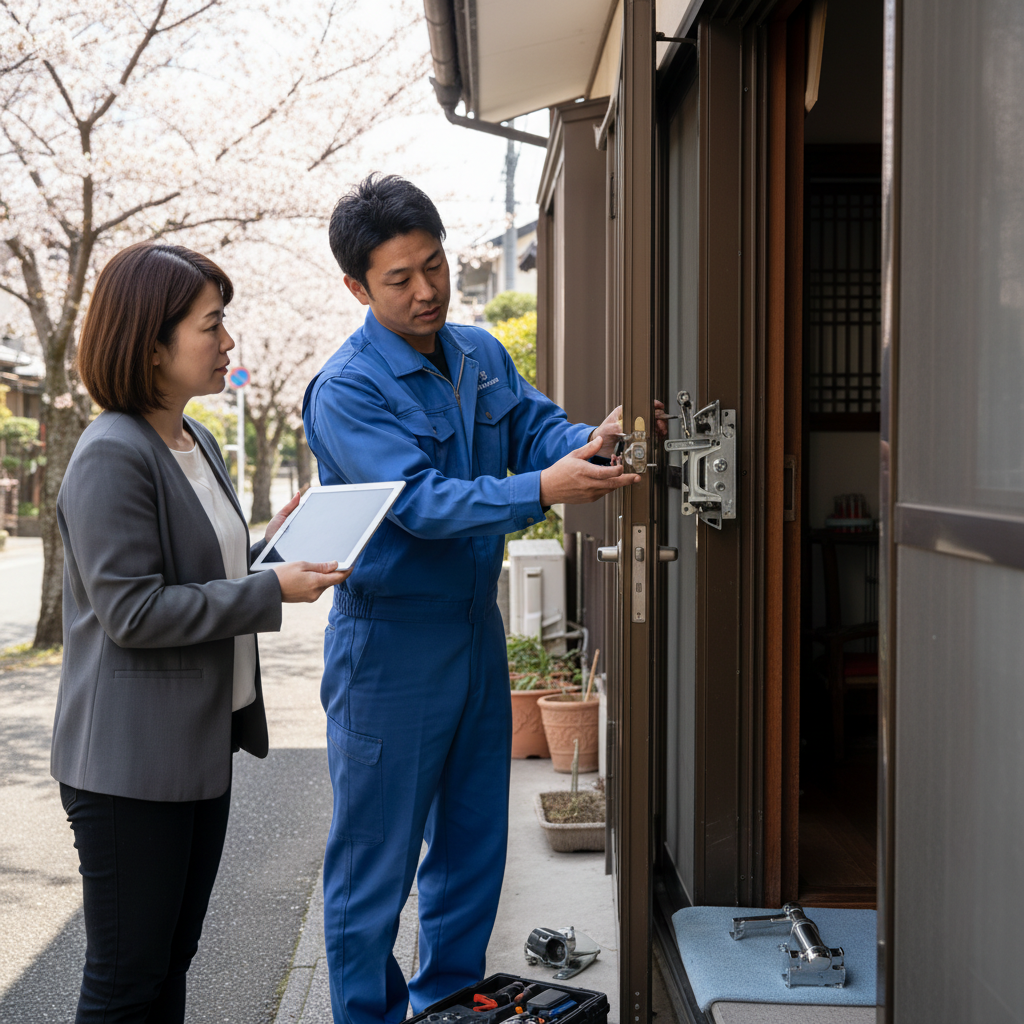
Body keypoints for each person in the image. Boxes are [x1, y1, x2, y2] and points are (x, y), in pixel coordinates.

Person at [303, 174, 660, 1024]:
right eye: (400, 278)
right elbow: (419, 503)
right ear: (357, 287)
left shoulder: (478, 352)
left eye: (435, 265)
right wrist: (544, 486)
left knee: (471, 849)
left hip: (473, 630)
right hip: (387, 646)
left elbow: (538, 427)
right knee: (374, 866)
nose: (426, 290)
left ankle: (450, 1008)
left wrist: (589, 442)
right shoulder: (346, 389)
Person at [54, 241, 349, 1023]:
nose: (227, 344)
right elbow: (134, 613)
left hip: (191, 751)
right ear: (151, 344)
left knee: (169, 963)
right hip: (126, 767)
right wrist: (268, 589)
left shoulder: (193, 440)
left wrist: (274, 549)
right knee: (125, 981)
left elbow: (201, 568)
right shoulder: (111, 453)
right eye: (210, 326)